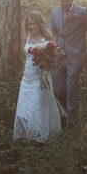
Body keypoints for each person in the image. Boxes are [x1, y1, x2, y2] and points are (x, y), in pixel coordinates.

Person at [49, 0, 87, 131]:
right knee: (58, 90)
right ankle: (65, 114)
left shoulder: (82, 12)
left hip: (75, 58)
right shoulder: (54, 13)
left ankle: (72, 124)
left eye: (67, 1)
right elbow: (49, 32)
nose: (65, 4)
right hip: (58, 57)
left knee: (71, 91)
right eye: (62, 1)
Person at [13, 10, 62, 143]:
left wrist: (48, 50)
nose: (31, 27)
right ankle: (25, 132)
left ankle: (38, 135)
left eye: (34, 24)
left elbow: (52, 55)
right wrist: (33, 50)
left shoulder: (46, 40)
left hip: (40, 79)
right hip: (27, 78)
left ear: (39, 24)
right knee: (25, 107)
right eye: (29, 24)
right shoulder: (28, 38)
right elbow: (27, 50)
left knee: (37, 107)